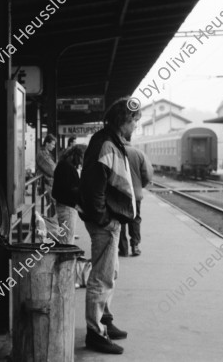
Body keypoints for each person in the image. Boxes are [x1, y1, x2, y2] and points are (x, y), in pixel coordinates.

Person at [78, 96, 140, 355]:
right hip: (105, 223)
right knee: (101, 277)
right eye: (134, 121)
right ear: (124, 120)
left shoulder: (110, 141)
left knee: (110, 273)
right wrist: (104, 218)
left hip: (109, 221)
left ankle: (105, 319)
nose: (135, 126)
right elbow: (94, 187)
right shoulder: (105, 143)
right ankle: (95, 333)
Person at [118, 140, 153, 257]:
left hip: (119, 193)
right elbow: (147, 174)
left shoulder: (116, 152)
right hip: (135, 193)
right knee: (135, 218)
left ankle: (123, 249)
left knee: (120, 220)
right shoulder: (139, 153)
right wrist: (139, 185)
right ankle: (135, 246)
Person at [51, 145, 84, 244]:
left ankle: (63, 259)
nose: (82, 162)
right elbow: (71, 190)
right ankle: (65, 260)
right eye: (82, 158)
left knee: (65, 239)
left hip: (63, 206)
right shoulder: (68, 168)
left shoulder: (62, 165)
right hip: (68, 209)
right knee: (67, 241)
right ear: (77, 156)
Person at [36, 134, 57, 217]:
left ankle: (52, 225)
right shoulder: (42, 154)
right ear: (47, 144)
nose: (54, 146)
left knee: (51, 206)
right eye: (53, 144)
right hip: (46, 184)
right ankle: (52, 225)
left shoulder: (46, 153)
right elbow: (52, 168)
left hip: (48, 183)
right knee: (53, 205)